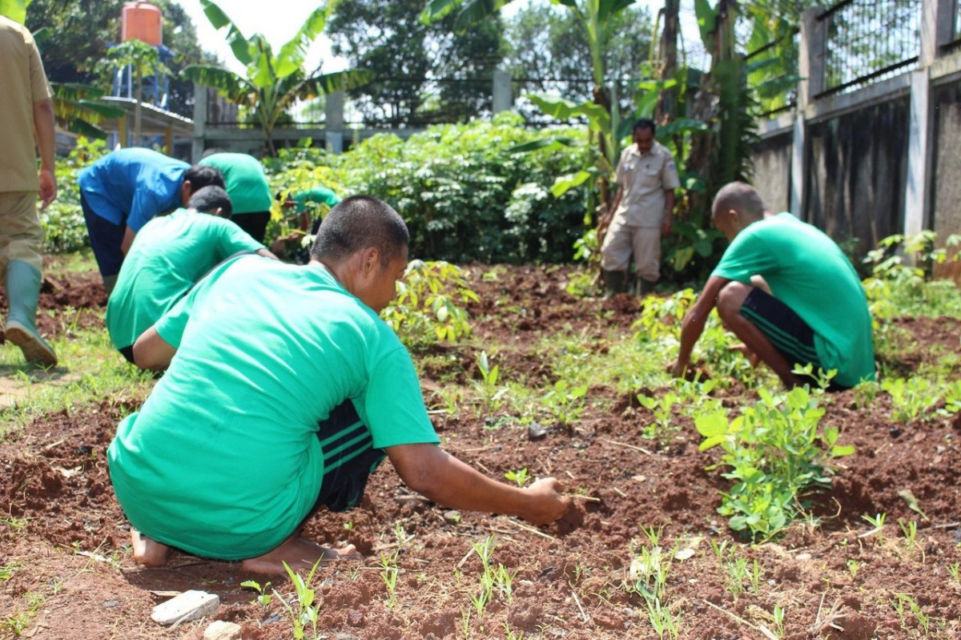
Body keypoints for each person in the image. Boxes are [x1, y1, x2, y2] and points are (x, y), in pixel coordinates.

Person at [107, 195, 571, 575]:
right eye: (396, 278)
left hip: (137, 485)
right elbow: (424, 472)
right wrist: (527, 503)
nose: (392, 296)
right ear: (370, 261)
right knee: (371, 419)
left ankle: (159, 534)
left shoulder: (238, 271)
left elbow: (147, 353)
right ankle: (275, 546)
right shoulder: (370, 337)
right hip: (242, 524)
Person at [670, 182, 875, 390]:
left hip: (834, 363)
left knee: (729, 297)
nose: (729, 240)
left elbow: (700, 310)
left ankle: (793, 383)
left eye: (725, 232)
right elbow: (772, 292)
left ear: (734, 217)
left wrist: (682, 362)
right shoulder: (789, 224)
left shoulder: (755, 235)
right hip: (855, 365)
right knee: (756, 283)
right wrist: (759, 341)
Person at [105, 185, 276, 364]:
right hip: (158, 337)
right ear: (218, 211)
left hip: (122, 338)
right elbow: (271, 264)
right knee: (240, 267)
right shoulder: (217, 224)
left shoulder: (155, 223)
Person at [77, 148, 225, 292]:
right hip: (99, 187)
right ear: (187, 187)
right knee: (113, 252)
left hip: (127, 185)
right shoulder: (154, 191)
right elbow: (127, 246)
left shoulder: (193, 179)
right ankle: (118, 299)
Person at [0, 15, 58, 366]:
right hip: (14, 169)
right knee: (21, 240)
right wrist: (47, 165)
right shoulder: (17, 36)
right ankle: (20, 316)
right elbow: (42, 105)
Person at [599, 118, 680, 296]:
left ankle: (642, 300)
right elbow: (621, 187)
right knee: (611, 251)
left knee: (647, 263)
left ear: (653, 137)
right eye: (639, 140)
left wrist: (668, 217)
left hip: (649, 217)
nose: (643, 144)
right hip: (625, 212)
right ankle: (613, 296)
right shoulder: (627, 153)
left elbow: (670, 190)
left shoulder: (664, 155)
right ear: (633, 137)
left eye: (647, 140)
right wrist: (611, 214)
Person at [198, 150, 273, 243]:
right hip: (263, 204)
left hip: (235, 204)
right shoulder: (249, 158)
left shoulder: (206, 162)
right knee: (254, 245)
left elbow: (203, 191)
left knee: (229, 246)